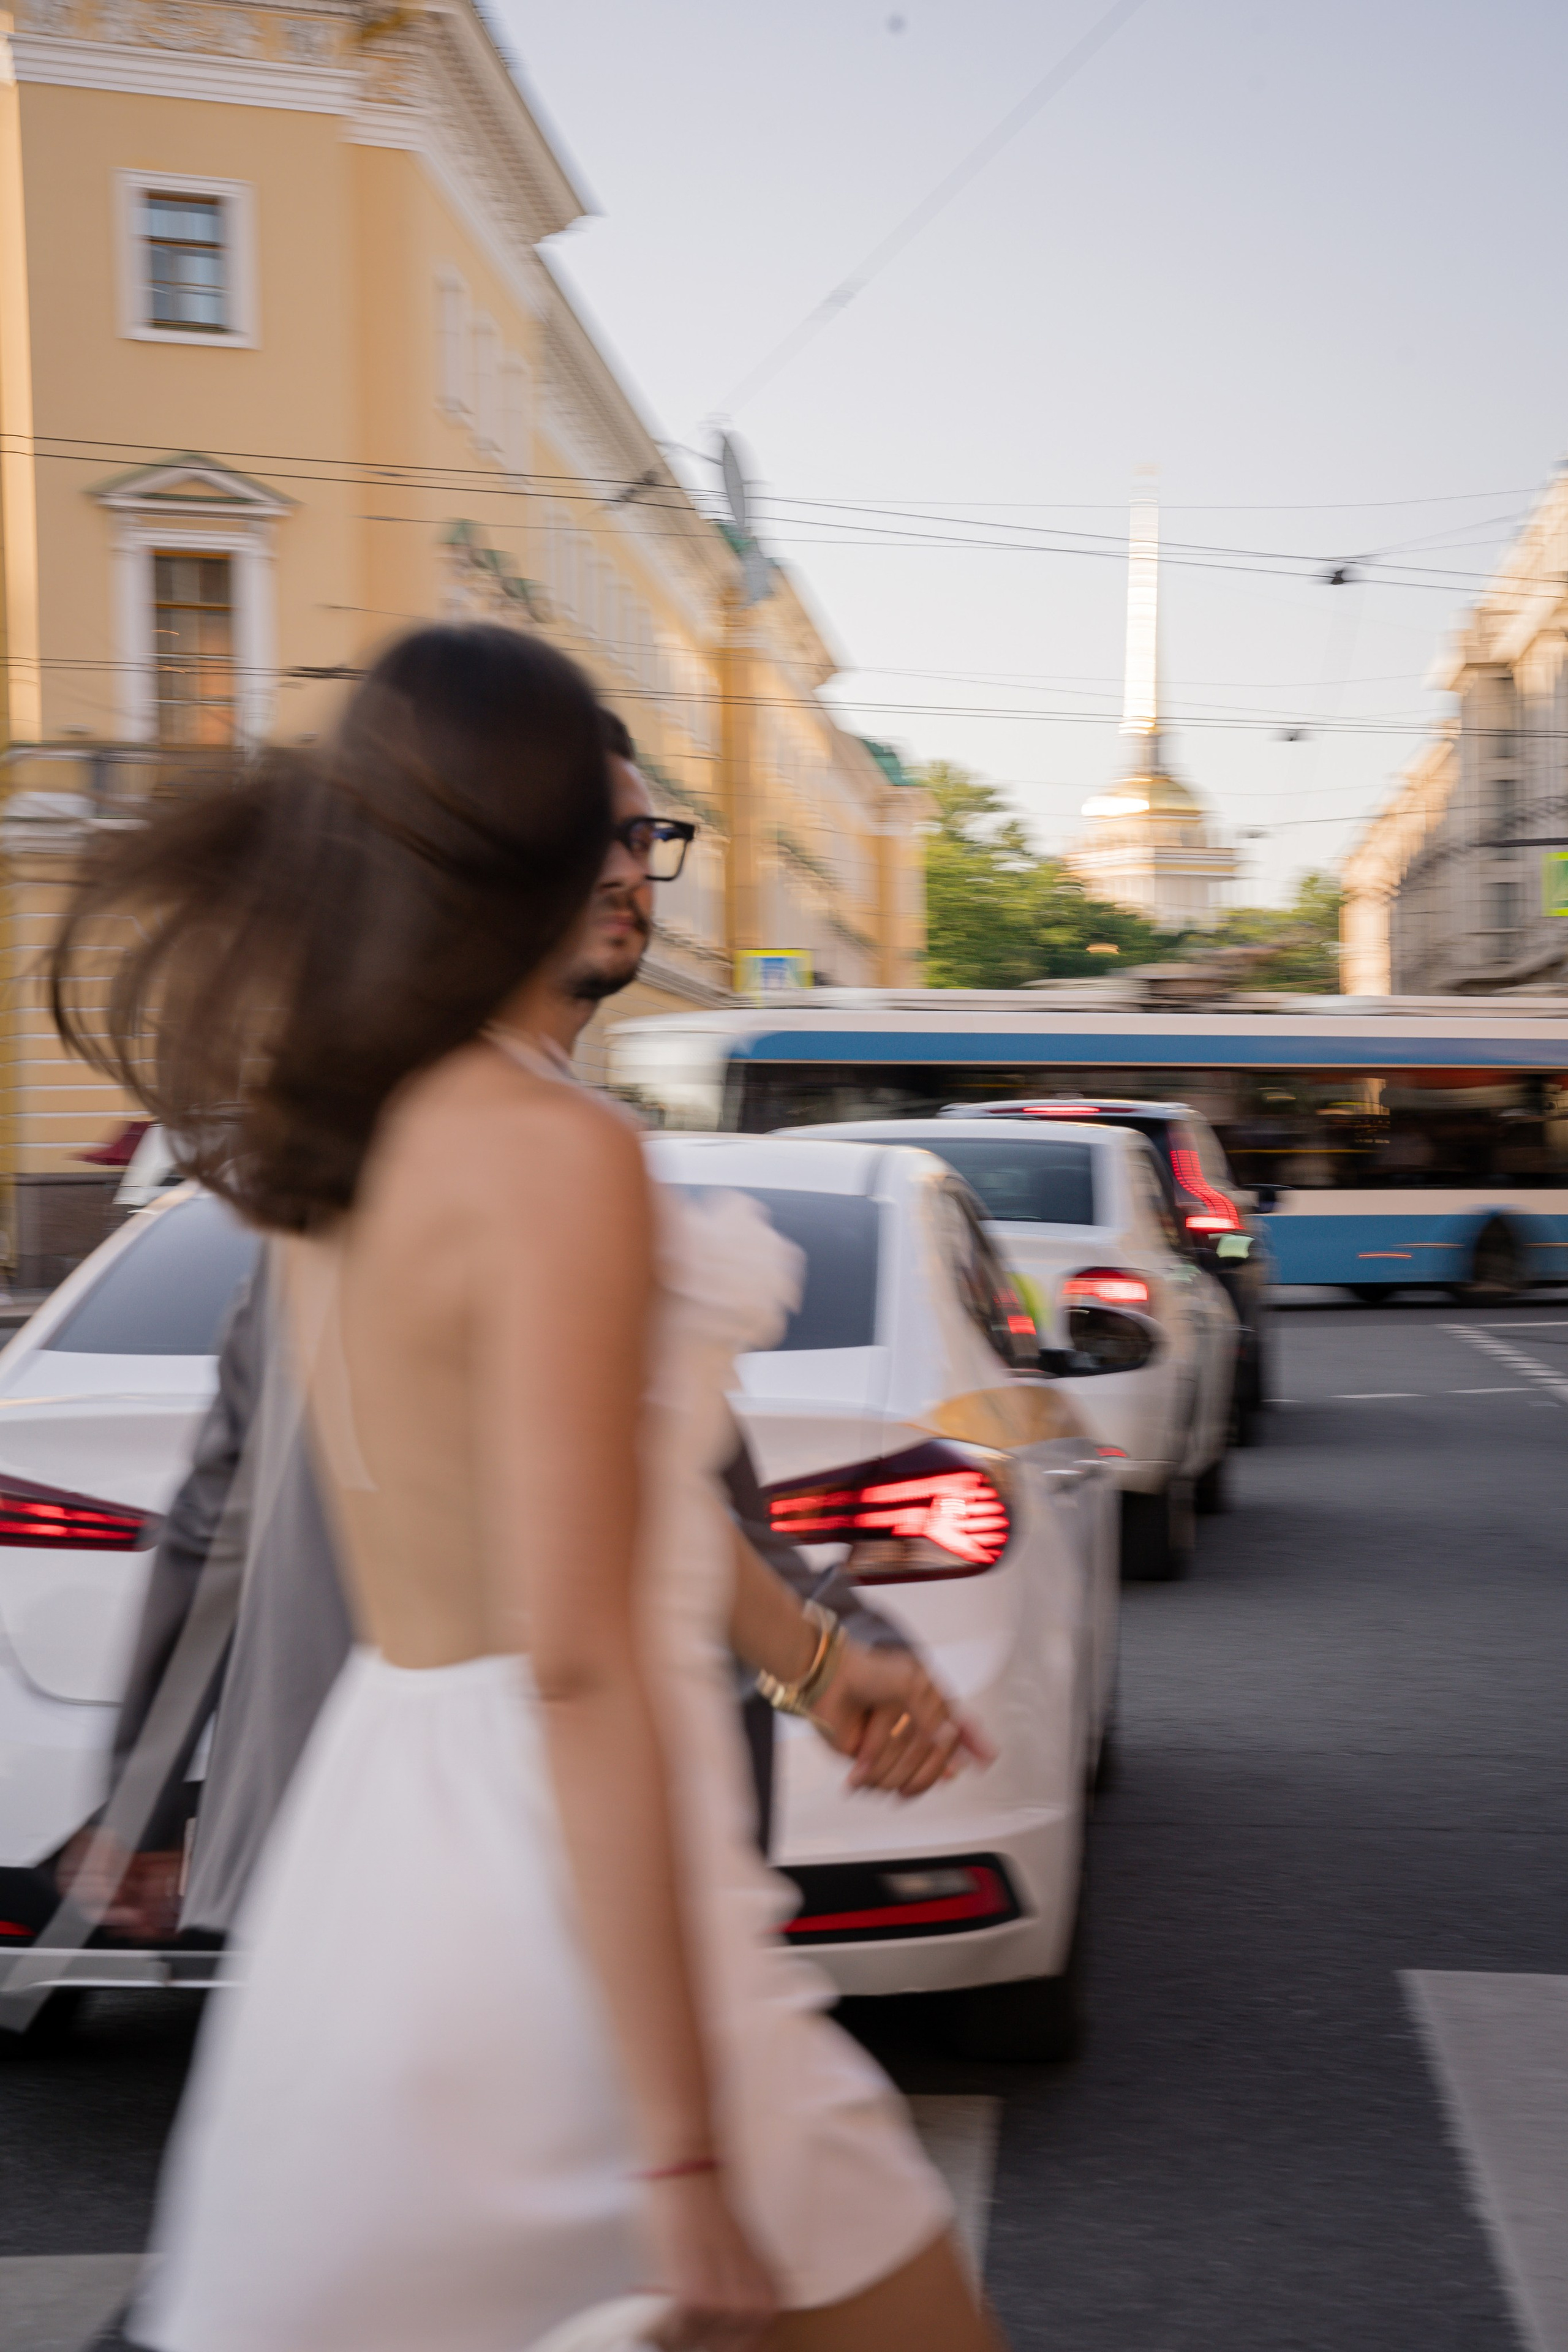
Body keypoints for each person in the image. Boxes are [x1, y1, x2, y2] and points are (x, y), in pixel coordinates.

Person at [50, 624, 1005, 2352]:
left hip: (382, 1836)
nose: (639, 861)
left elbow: (597, 1497)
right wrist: (686, 2155)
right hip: (559, 1859)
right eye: (619, 824)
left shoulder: (345, 1136)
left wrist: (811, 1658)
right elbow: (570, 1656)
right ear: (547, 847)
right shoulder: (556, 1155)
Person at [75, 709, 904, 1950]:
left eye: (643, 835)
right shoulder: (515, 1157)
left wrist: (139, 1800)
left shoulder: (387, 1141)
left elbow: (658, 1491)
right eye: (589, 837)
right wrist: (832, 1660)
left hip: (387, 1826)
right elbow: (226, 1514)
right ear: (482, 866)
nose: (628, 869)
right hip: (507, 1821)